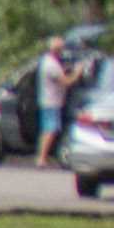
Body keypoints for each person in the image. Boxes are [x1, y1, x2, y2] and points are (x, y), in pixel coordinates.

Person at [34, 33, 73, 166]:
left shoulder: (46, 61)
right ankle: (41, 158)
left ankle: (42, 156)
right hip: (52, 102)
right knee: (50, 130)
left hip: (47, 100)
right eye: (60, 49)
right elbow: (66, 82)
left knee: (46, 129)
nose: (62, 52)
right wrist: (78, 72)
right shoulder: (51, 65)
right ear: (56, 50)